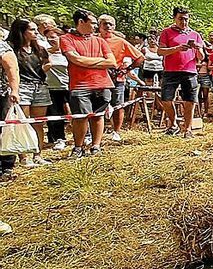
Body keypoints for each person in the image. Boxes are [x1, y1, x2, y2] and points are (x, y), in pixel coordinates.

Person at [59, 9, 116, 158]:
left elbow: (111, 62)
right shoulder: (66, 39)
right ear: (81, 22)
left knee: (98, 116)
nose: (96, 26)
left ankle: (96, 146)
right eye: (93, 23)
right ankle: (78, 147)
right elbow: (75, 60)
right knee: (80, 117)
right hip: (80, 85)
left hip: (103, 84)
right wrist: (99, 62)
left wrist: (86, 62)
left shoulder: (100, 40)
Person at [8, 19, 52, 167]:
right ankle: (24, 157)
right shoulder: (11, 49)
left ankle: (37, 154)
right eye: (32, 30)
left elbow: (46, 63)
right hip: (22, 87)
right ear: (22, 31)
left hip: (40, 86)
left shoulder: (39, 49)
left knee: (38, 123)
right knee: (23, 122)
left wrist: (45, 67)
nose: (35, 33)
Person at [158, 6, 205, 138]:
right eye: (180, 19)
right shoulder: (166, 32)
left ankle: (188, 129)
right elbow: (160, 51)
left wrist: (198, 48)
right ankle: (173, 124)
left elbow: (201, 57)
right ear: (174, 18)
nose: (183, 22)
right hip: (170, 70)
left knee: (190, 100)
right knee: (166, 99)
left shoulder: (195, 35)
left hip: (189, 71)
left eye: (186, 19)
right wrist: (177, 48)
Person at [98, 15, 144, 142]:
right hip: (97, 77)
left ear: (114, 27)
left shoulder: (120, 42)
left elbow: (139, 57)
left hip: (116, 77)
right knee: (97, 105)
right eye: (105, 24)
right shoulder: (94, 40)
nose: (108, 27)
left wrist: (127, 69)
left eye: (111, 24)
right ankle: (94, 133)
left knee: (117, 105)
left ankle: (116, 131)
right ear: (99, 25)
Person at [44, 27, 70, 151]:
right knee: (55, 115)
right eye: (48, 37)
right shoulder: (44, 52)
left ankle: (85, 135)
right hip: (51, 88)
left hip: (70, 86)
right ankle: (59, 138)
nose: (50, 39)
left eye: (53, 37)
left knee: (77, 113)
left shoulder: (69, 52)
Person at [0, 34, 20, 180]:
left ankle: (6, 167)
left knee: (4, 130)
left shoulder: (2, 47)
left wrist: (14, 90)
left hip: (1, 94)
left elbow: (12, 69)